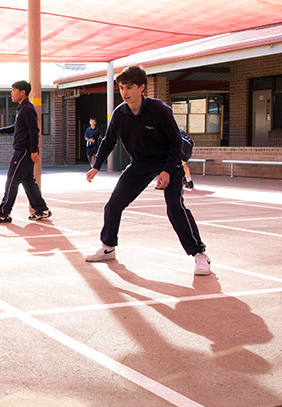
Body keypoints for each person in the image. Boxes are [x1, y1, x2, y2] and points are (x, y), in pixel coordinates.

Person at [84, 65, 210, 275]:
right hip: (140, 163)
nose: (124, 92)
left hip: (168, 161)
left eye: (129, 87)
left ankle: (199, 254)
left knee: (174, 208)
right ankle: (107, 247)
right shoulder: (120, 113)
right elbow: (108, 141)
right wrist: (96, 166)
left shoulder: (159, 110)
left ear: (142, 87)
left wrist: (167, 171)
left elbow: (175, 143)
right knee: (114, 205)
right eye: (121, 87)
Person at [0, 80, 51, 223]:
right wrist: (1, 130)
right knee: (28, 180)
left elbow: (34, 130)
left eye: (14, 90)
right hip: (23, 151)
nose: (12, 93)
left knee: (11, 181)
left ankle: (4, 213)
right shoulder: (23, 108)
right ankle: (42, 210)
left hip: (24, 152)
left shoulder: (27, 108)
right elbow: (18, 127)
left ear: (22, 92)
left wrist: (34, 151)